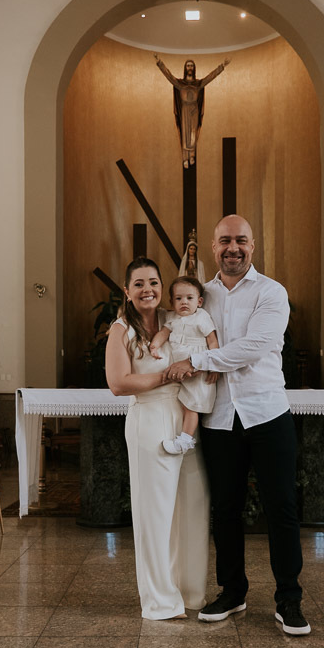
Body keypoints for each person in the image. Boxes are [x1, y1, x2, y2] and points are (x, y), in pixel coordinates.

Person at [165, 215, 310, 636]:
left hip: (266, 412)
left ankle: (289, 599)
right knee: (225, 509)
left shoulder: (271, 292)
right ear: (212, 247)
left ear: (253, 245)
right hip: (218, 416)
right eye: (225, 240)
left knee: (281, 507)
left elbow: (255, 346)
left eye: (241, 240)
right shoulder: (199, 295)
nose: (233, 247)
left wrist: (198, 360)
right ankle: (233, 590)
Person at [105, 257, 210, 620]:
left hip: (185, 415)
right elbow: (118, 383)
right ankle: (160, 601)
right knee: (156, 512)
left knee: (192, 506)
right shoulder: (121, 330)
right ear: (127, 290)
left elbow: (202, 349)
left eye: (153, 282)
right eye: (138, 283)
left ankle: (191, 592)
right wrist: (169, 374)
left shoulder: (174, 318)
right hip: (149, 417)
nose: (147, 289)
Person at [150, 276, 218, 455]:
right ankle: (180, 435)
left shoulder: (201, 317)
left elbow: (212, 342)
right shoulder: (172, 318)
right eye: (178, 299)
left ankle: (185, 441)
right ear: (172, 302)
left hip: (197, 369)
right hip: (178, 370)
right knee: (180, 405)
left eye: (189, 298)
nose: (184, 302)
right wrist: (155, 345)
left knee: (191, 406)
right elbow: (163, 333)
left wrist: (214, 366)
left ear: (200, 301)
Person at [154, 54, 230, 167]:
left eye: (191, 66)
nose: (190, 68)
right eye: (188, 66)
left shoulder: (198, 84)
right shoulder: (180, 83)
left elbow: (210, 77)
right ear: (185, 68)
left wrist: (222, 66)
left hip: (194, 109)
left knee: (193, 132)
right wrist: (159, 62)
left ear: (194, 68)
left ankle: (192, 156)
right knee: (185, 133)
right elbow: (168, 76)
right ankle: (185, 158)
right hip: (184, 109)